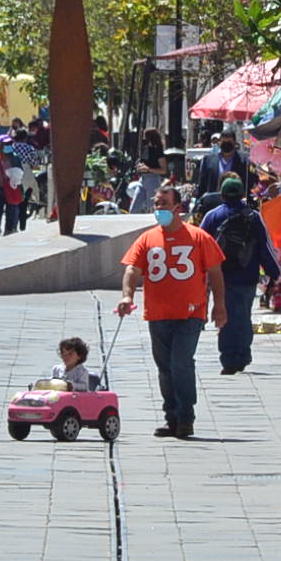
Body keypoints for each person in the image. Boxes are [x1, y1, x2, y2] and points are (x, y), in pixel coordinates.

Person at [116, 186, 226, 439]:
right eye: (156, 204)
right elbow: (132, 269)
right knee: (164, 367)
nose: (159, 208)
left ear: (178, 207)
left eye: (164, 203)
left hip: (190, 314)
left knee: (181, 363)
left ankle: (186, 416)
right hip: (158, 313)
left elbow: (216, 273)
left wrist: (219, 306)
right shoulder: (147, 238)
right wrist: (127, 296)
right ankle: (172, 417)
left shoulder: (199, 238)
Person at [200, 176, 281, 375]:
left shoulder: (212, 216)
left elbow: (199, 244)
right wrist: (274, 272)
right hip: (247, 275)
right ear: (242, 195)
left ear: (222, 195)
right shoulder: (253, 216)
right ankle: (242, 355)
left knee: (225, 315)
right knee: (243, 316)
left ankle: (228, 358)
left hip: (221, 276)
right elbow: (266, 247)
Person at [194, 131, 253, 199]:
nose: (226, 144)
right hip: (213, 202)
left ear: (234, 142)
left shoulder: (244, 161)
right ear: (219, 142)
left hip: (235, 202)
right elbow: (202, 185)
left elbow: (249, 184)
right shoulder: (208, 160)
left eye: (229, 142)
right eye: (224, 142)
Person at [0, 140, 25, 239]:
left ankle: (9, 230)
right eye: (6, 145)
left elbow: (20, 175)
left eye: (10, 145)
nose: (9, 147)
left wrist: (21, 190)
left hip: (12, 190)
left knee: (12, 211)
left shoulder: (15, 158)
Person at [131, 128, 168, 213]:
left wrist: (149, 169)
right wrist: (140, 166)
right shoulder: (146, 149)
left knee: (152, 208)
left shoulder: (158, 151)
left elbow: (163, 170)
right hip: (143, 179)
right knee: (134, 208)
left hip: (153, 180)